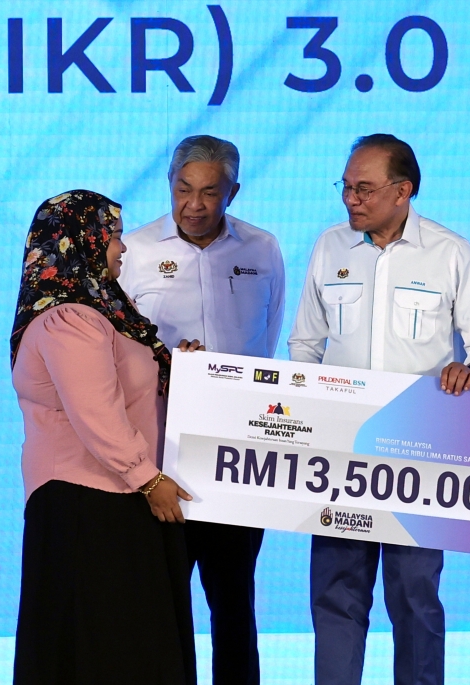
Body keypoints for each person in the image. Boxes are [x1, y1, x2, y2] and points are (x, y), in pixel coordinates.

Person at [288, 134, 470, 685]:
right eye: (345, 187)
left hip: (420, 447)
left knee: (415, 596)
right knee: (336, 593)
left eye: (363, 188)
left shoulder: (449, 251)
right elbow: (304, 346)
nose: (349, 200)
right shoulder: (329, 247)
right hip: (339, 449)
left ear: (403, 191)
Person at [9, 190, 197, 684]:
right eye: (112, 236)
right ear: (81, 241)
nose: (122, 248)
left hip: (123, 497)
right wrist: (147, 478)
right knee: (102, 650)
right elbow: (96, 410)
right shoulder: (69, 318)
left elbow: (128, 384)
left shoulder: (105, 308)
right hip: (88, 505)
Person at [118, 134, 284, 685]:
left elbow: (269, 338)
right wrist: (168, 365)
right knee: (160, 601)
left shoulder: (262, 249)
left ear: (232, 192)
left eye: (209, 192)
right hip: (161, 454)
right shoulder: (135, 251)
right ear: (169, 185)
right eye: (183, 189)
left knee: (235, 600)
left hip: (240, 452)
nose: (194, 204)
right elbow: (115, 349)